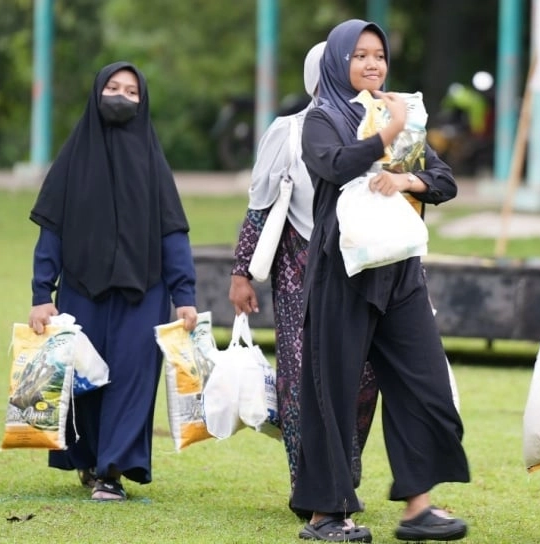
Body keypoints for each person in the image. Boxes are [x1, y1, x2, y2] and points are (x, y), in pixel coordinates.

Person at [290, 19, 470, 543]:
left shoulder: (401, 115)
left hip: (400, 271)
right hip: (342, 271)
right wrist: (385, 136)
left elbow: (444, 181)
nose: (372, 64)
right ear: (338, 61)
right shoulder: (321, 118)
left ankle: (418, 508)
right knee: (335, 391)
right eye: (359, 55)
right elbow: (332, 164)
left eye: (379, 55)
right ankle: (327, 514)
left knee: (426, 384)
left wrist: (406, 175)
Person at [28, 61, 198, 502]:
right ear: (96, 94)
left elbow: (171, 231)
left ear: (143, 102)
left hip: (144, 291)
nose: (122, 98)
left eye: (132, 91)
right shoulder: (73, 158)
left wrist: (185, 295)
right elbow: (52, 229)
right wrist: (40, 294)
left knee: (132, 379)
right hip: (81, 291)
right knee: (83, 380)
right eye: (113, 88)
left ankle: (113, 471)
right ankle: (88, 459)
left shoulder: (153, 162)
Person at [228, 42, 379, 511]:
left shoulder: (379, 124)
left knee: (364, 377)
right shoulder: (289, 132)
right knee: (301, 377)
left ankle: (343, 472)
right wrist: (241, 272)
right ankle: (309, 483)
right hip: (301, 267)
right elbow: (259, 206)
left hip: (364, 266)